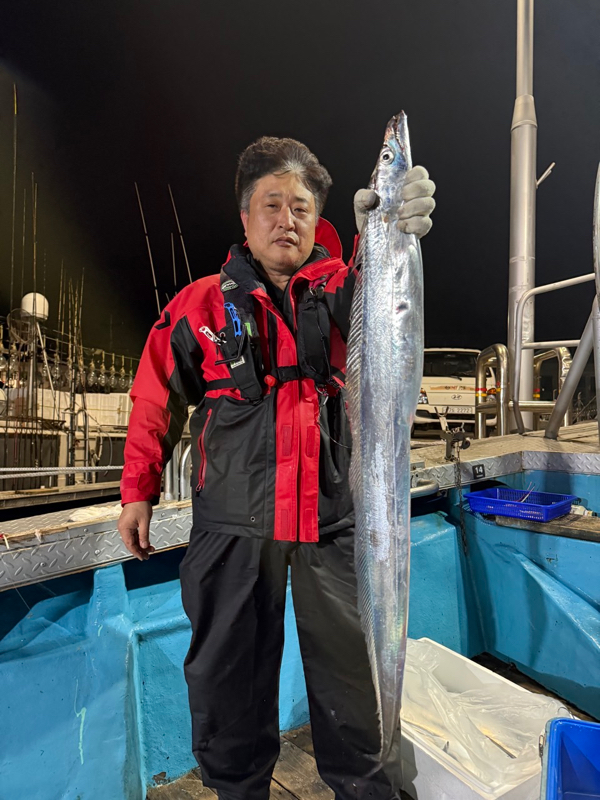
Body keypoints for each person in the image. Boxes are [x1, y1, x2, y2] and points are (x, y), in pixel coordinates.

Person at [118, 136, 435, 800]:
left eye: (300, 207)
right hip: (232, 525)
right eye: (271, 204)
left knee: (356, 687)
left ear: (319, 219)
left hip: (334, 520)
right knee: (226, 687)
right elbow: (154, 397)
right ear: (245, 216)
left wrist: (392, 231)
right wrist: (137, 490)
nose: (286, 220)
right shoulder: (200, 305)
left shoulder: (348, 290)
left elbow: (389, 301)